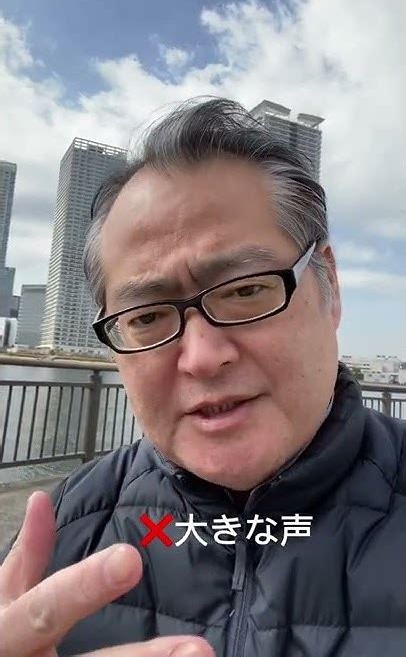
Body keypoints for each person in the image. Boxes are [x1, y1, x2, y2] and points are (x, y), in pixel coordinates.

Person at [1, 98, 405, 657]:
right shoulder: (62, 532)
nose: (201, 357)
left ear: (328, 285)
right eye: (147, 317)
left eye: (246, 290)